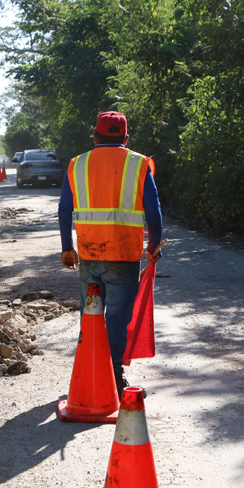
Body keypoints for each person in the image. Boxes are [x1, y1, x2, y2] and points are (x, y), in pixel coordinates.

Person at [58, 110, 163, 390]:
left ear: (95, 135)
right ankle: (115, 373)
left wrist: (67, 248)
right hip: (124, 255)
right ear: (127, 138)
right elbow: (154, 211)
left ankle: (89, 371)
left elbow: (64, 208)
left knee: (90, 316)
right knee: (117, 316)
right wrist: (154, 245)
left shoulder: (76, 164)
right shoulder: (139, 164)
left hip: (89, 254)